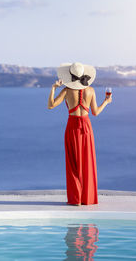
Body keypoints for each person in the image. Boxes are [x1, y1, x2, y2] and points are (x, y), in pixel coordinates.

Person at [47, 62, 112, 206]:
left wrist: (53, 88)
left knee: (73, 163)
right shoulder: (91, 91)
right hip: (87, 128)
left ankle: (76, 199)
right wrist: (106, 102)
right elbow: (95, 112)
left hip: (72, 127)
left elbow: (50, 105)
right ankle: (87, 198)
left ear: (70, 76)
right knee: (87, 162)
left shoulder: (66, 90)